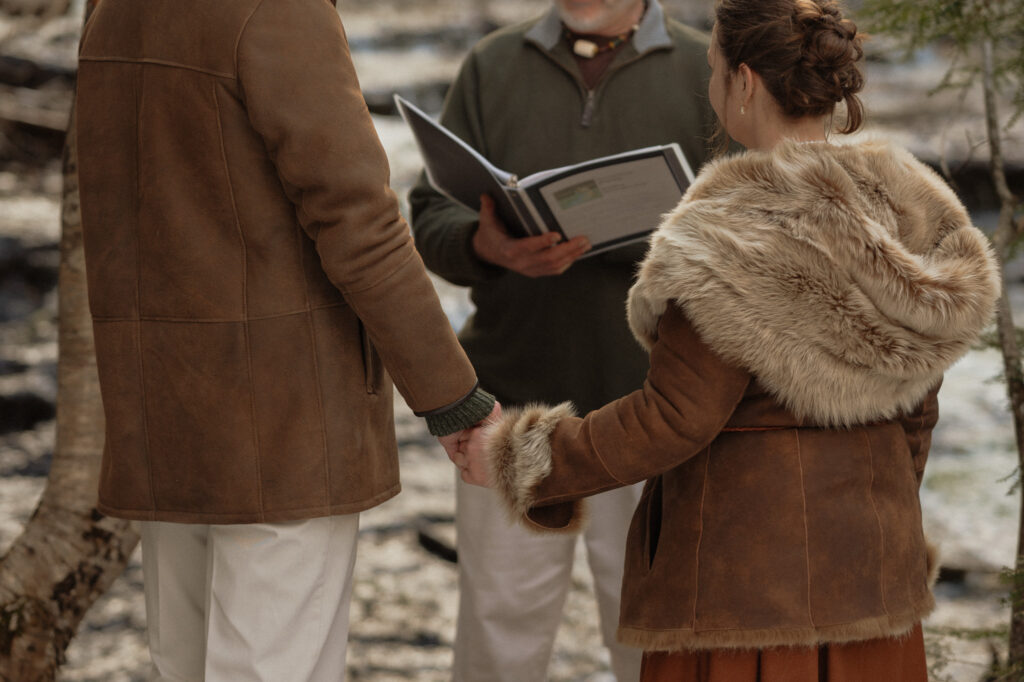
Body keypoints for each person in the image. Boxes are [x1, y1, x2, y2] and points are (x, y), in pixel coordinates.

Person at [459, 0, 1001, 680]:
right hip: (870, 581)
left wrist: (522, 458)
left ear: (743, 82)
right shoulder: (909, 205)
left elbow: (673, 418)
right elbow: (918, 410)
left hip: (742, 596)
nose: (712, 87)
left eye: (713, 71)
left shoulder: (722, 237)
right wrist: (879, 522)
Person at [74, 0, 496, 680]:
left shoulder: (111, 8)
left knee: (183, 665)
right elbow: (360, 223)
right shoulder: (278, 8)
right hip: (284, 426)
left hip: (165, 416)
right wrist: (453, 399)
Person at [409, 1, 715, 679]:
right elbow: (429, 214)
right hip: (512, 407)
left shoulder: (707, 68)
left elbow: (754, 232)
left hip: (659, 414)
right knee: (496, 639)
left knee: (654, 640)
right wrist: (481, 243)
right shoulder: (491, 65)